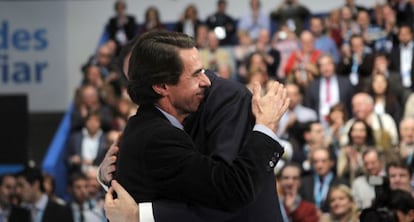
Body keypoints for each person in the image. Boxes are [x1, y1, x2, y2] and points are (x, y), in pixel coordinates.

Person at [109, 31, 288, 221]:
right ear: (161, 86)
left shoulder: (225, 99)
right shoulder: (156, 134)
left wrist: (138, 212)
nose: (206, 81)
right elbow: (231, 189)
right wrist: (266, 126)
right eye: (195, 74)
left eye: (202, 70)